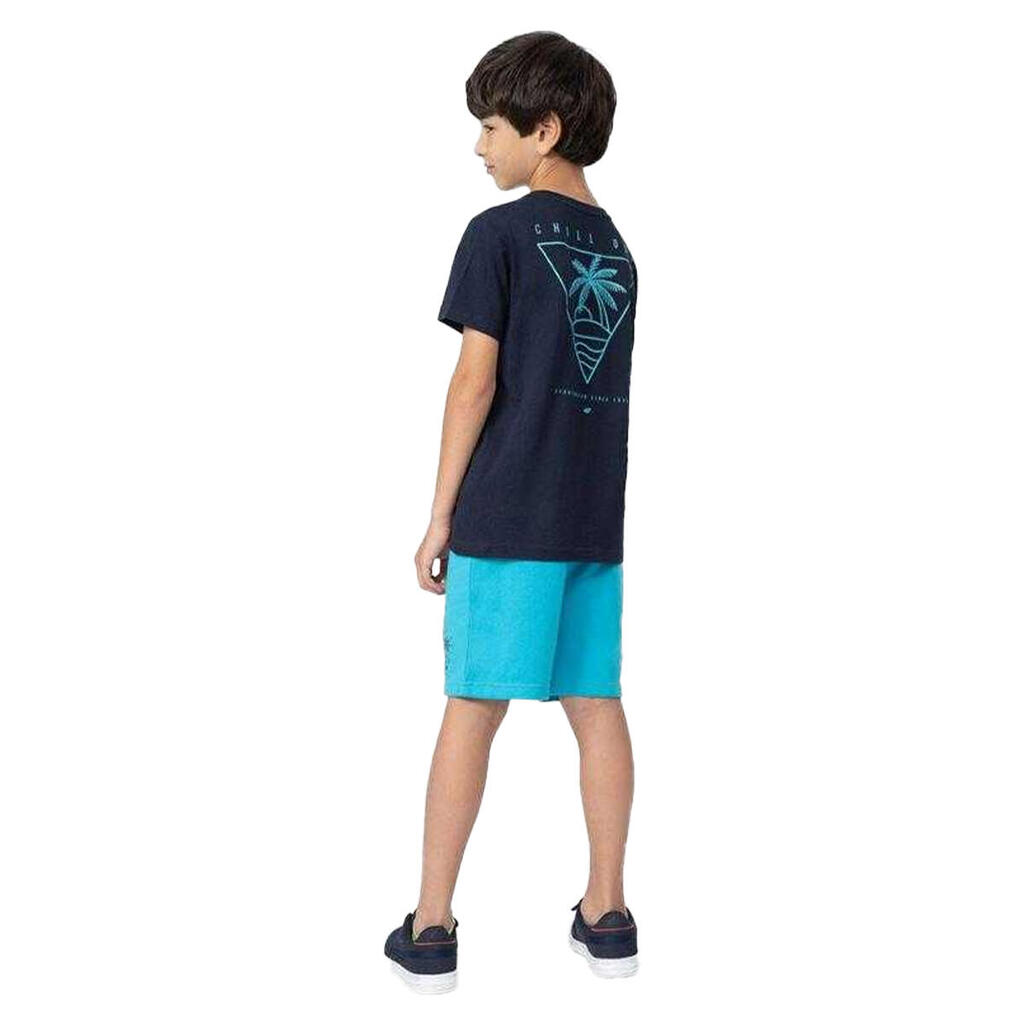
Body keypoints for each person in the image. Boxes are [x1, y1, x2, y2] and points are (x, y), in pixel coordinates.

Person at [384, 31, 639, 993]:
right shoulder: (618, 249)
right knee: (598, 705)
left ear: (546, 130)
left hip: (510, 511)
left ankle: (431, 926)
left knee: (473, 706)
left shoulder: (497, 234)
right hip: (591, 521)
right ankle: (607, 913)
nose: (479, 145)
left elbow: (474, 383)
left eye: (492, 127)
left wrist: (441, 515)